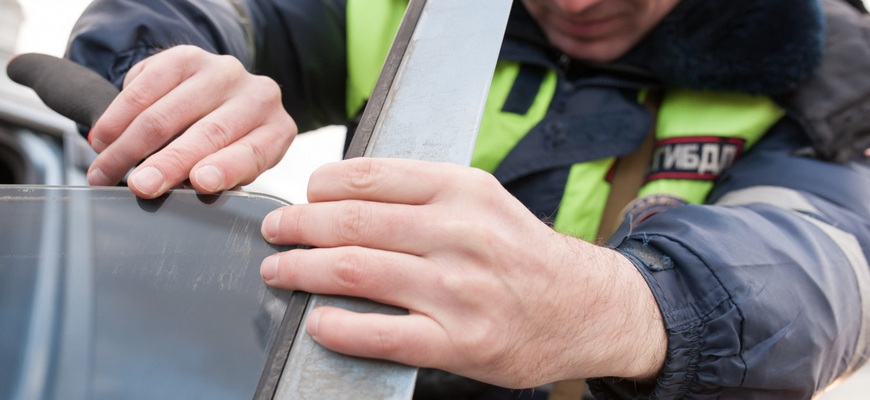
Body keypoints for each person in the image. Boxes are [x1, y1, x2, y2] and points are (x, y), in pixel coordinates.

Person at [62, 0, 870, 398]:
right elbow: (205, 13)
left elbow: (835, 267)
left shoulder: (831, 69)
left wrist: (618, 306)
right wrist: (167, 82)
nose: (579, 2)